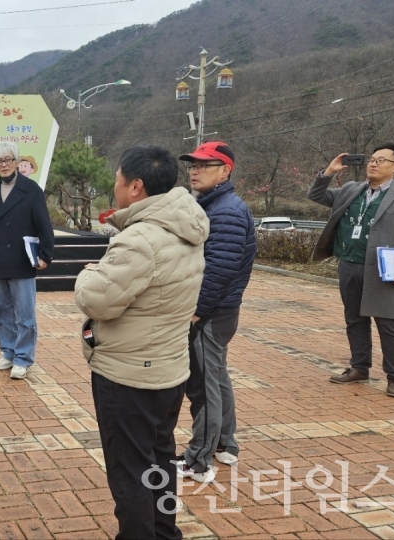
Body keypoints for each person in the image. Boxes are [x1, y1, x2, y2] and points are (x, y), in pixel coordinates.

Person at [75, 145, 208, 540]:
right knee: (160, 462)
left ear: (135, 187)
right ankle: (165, 532)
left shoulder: (141, 239)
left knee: (129, 472)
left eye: (116, 181)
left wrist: (87, 275)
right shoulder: (188, 225)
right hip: (169, 369)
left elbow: (98, 299)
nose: (113, 187)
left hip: (129, 375)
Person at [308, 143, 394, 398]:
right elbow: (318, 196)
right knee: (354, 320)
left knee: (389, 324)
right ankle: (360, 368)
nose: (373, 163)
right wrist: (328, 172)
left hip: (384, 270)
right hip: (349, 264)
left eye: (381, 160)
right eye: (372, 159)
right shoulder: (351, 189)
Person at [175, 141, 256, 484]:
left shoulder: (225, 211)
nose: (195, 170)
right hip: (218, 311)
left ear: (225, 171)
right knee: (217, 378)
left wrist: (196, 311)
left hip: (211, 312)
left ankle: (199, 460)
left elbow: (220, 269)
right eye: (193, 165)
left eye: (205, 165)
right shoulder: (215, 204)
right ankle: (225, 444)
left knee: (205, 384)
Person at [0, 141, 55, 380]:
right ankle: (8, 352)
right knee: (1, 311)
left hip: (22, 259)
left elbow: (44, 225)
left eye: (8, 159)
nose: (4, 165)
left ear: (16, 162)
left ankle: (23, 357)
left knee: (24, 314)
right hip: (0, 259)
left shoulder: (31, 190)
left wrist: (45, 254)